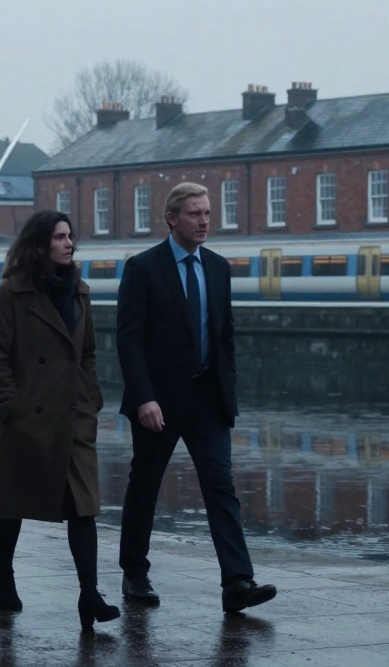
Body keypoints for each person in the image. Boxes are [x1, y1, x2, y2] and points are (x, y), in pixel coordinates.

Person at [116, 182, 277, 613]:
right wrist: (144, 398)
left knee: (222, 487)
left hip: (208, 398)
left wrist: (228, 392)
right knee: (145, 485)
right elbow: (128, 340)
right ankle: (135, 574)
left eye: (207, 213)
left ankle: (237, 582)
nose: (204, 221)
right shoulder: (143, 268)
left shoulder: (219, 268)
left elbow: (225, 337)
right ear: (172, 219)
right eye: (194, 214)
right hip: (159, 401)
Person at [0, 210, 121, 630]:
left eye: (70, 236)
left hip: (73, 416)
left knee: (83, 508)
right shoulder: (10, 293)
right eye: (60, 237)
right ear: (39, 245)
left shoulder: (79, 290)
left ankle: (89, 594)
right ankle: (4, 573)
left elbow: (88, 352)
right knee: (12, 503)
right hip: (27, 419)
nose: (69, 243)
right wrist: (14, 407)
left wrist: (90, 397)